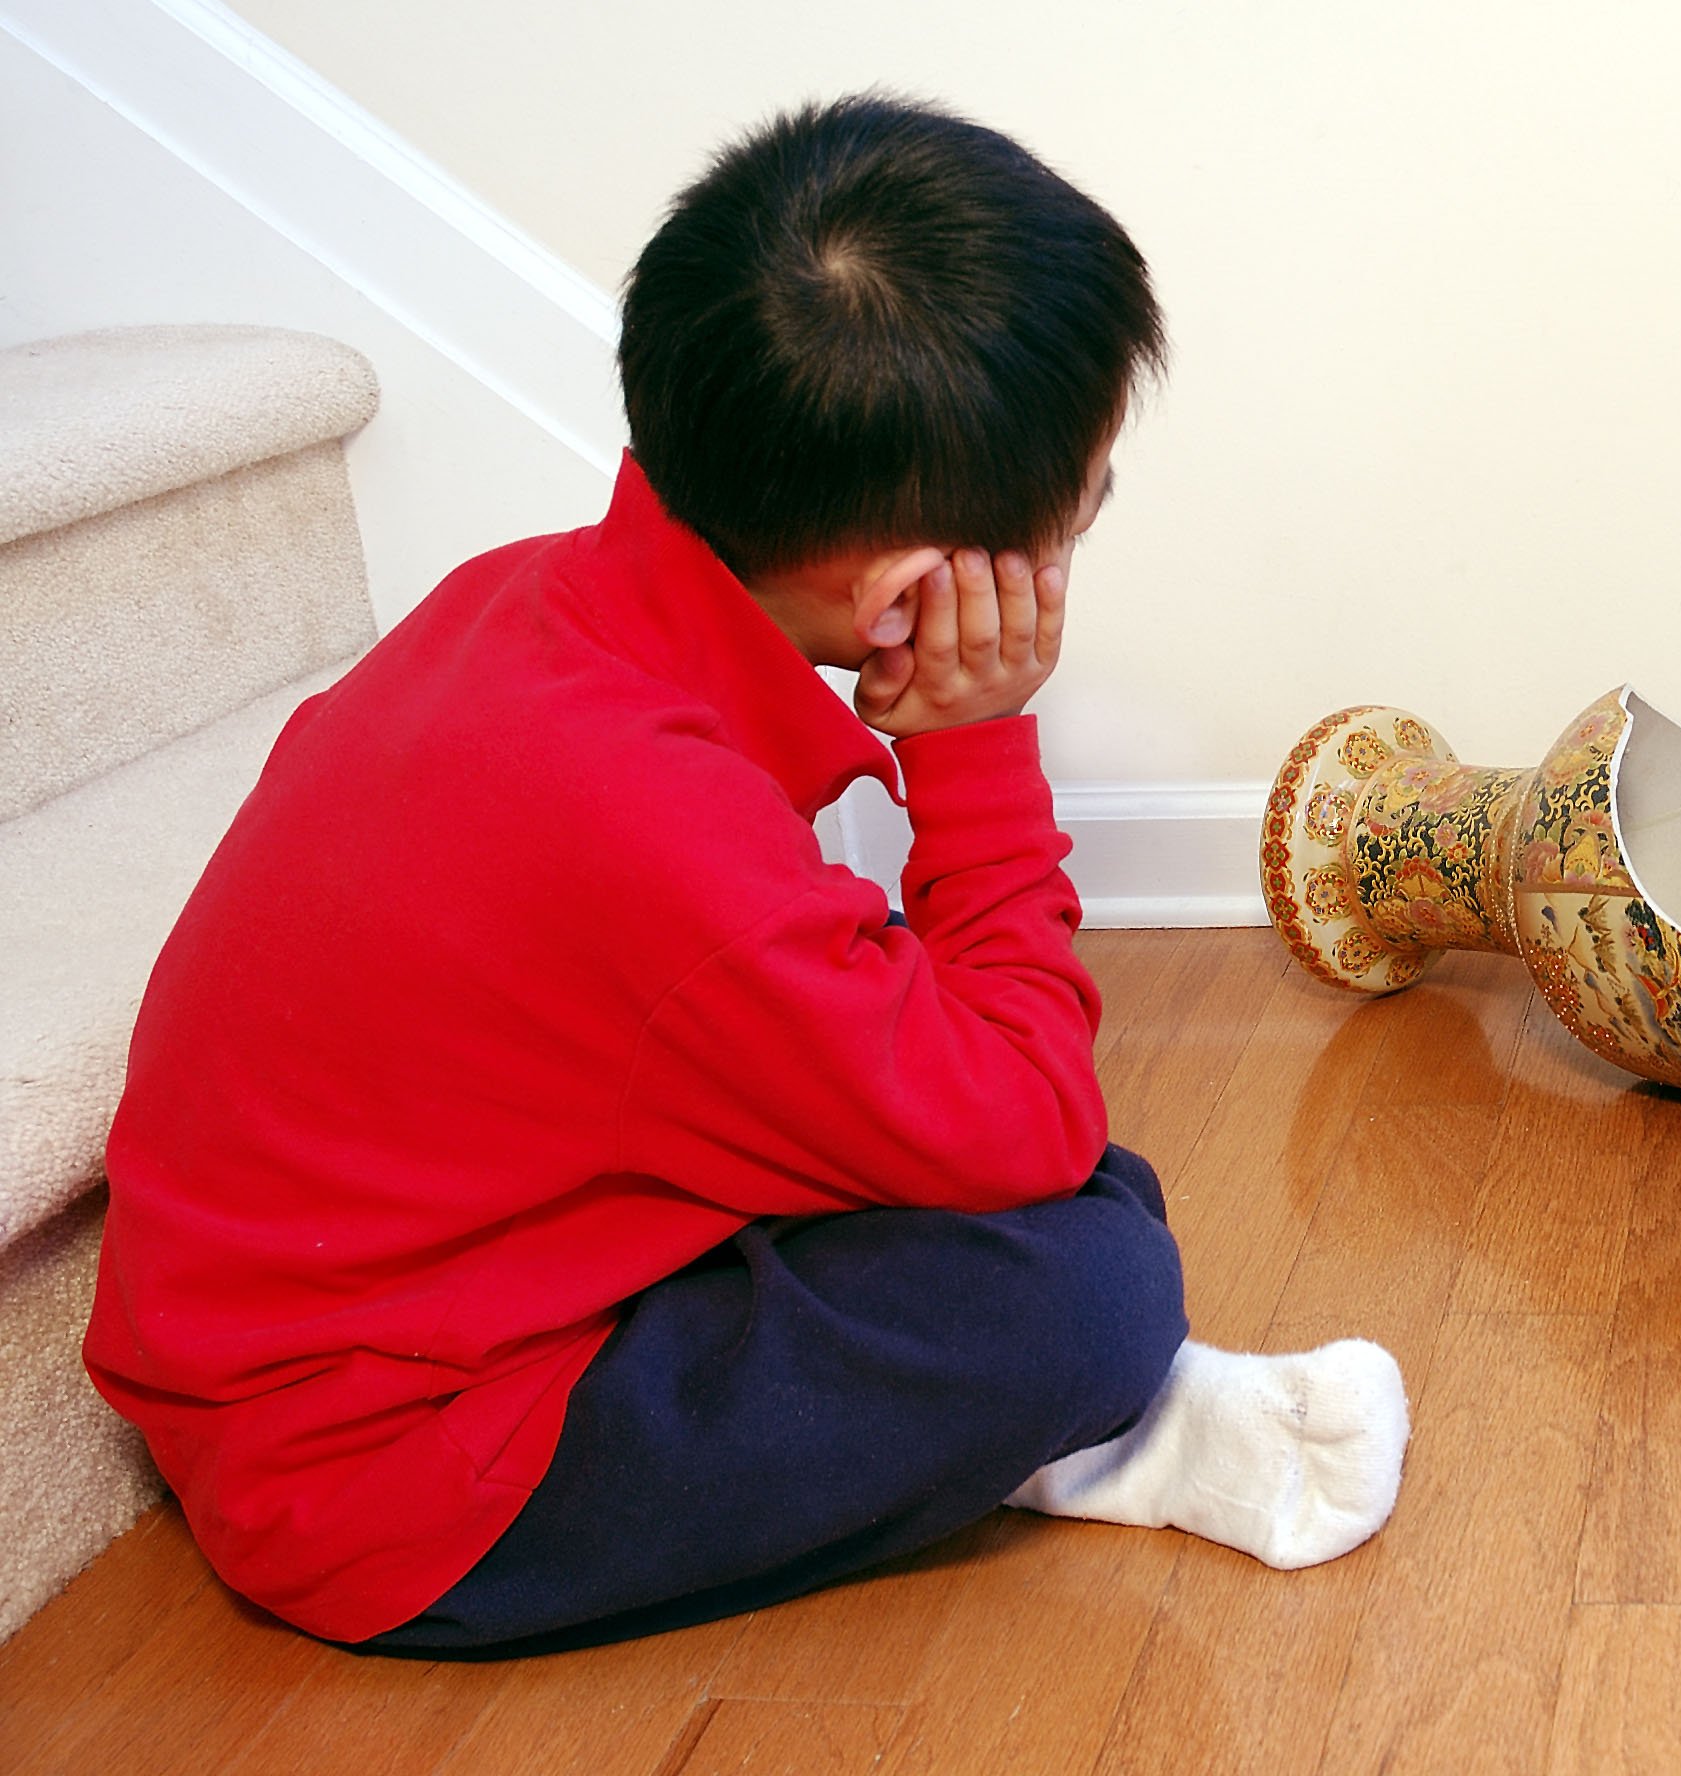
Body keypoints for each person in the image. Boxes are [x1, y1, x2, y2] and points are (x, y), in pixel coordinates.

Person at [84, 96, 1409, 1656]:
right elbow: (1033, 1128)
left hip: (401, 1285)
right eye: (1091, 502)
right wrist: (975, 744)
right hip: (389, 1478)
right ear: (919, 588)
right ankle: (1100, 1435)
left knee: (1014, 1172)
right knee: (1088, 1283)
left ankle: (1070, 1413)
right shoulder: (654, 828)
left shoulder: (530, 604)